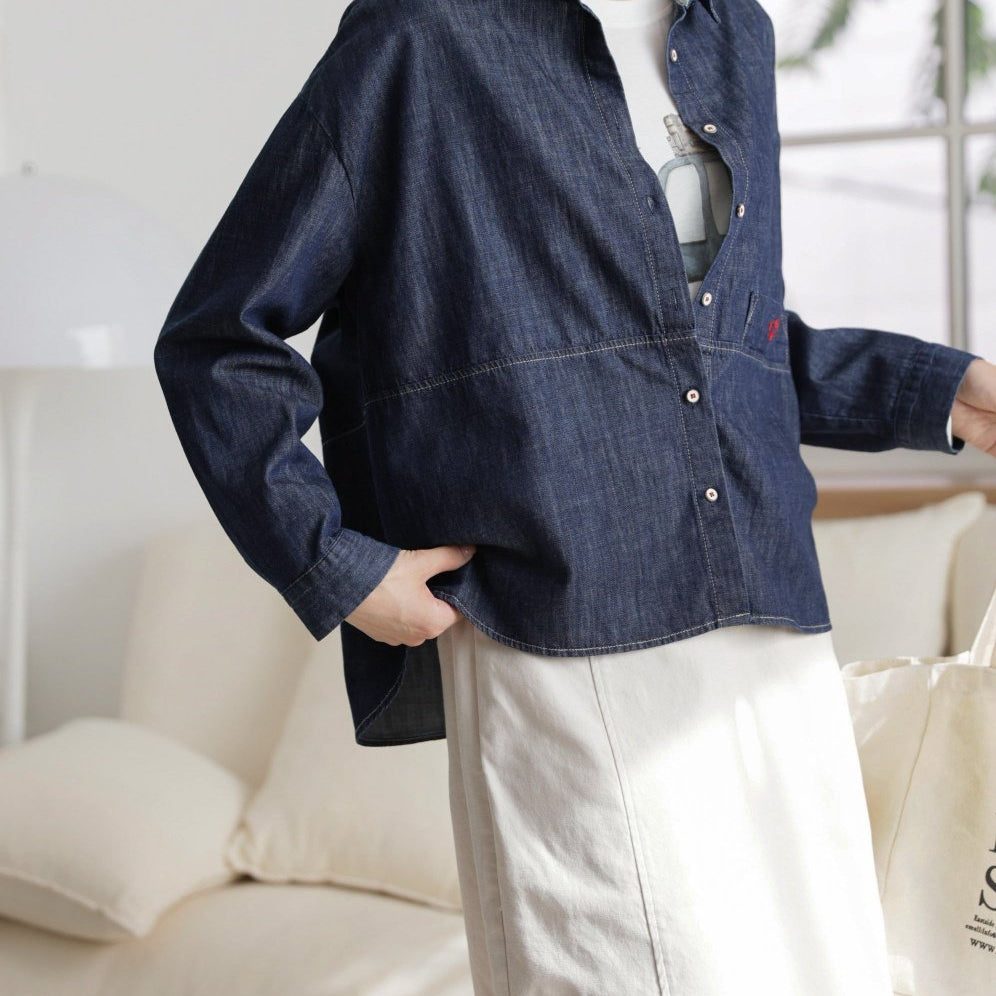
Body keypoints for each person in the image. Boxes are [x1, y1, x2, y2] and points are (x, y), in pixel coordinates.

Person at [153, 0, 996, 991]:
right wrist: (338, 568)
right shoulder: (424, 35)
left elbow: (718, 345)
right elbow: (220, 341)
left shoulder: (736, 32)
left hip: (768, 624)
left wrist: (941, 390)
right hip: (561, 622)